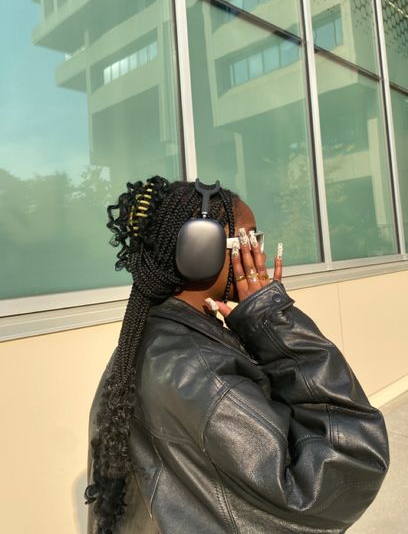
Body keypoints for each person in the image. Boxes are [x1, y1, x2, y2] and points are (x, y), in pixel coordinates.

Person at [85, 175, 390, 534]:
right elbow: (351, 464)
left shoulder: (151, 337)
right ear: (200, 249)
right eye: (248, 238)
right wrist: (275, 321)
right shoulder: (201, 373)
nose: (258, 253)